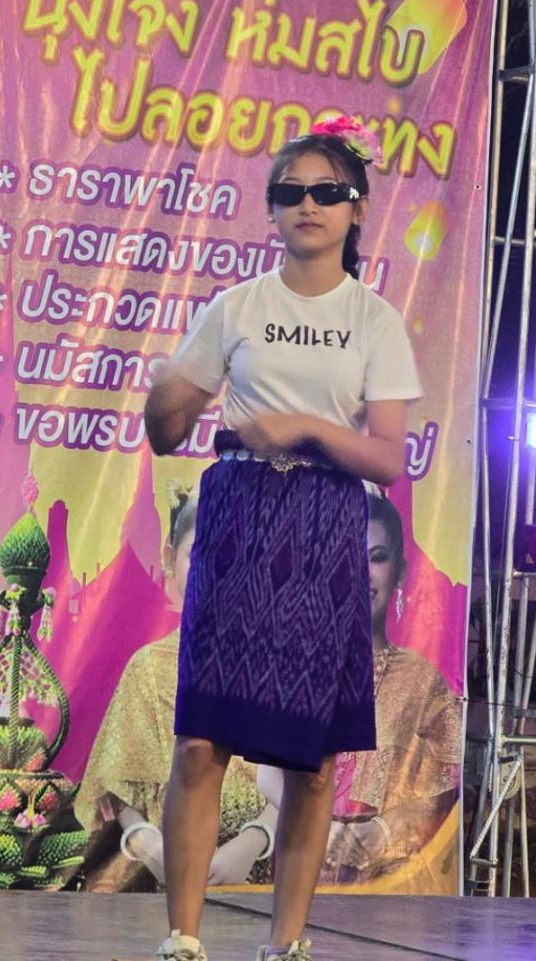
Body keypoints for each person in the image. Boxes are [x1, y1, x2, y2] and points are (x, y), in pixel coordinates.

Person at [144, 116, 422, 961]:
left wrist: (304, 426)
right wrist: (167, 395)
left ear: (356, 208)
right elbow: (166, 429)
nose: (309, 205)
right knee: (202, 742)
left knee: (313, 758)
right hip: (238, 520)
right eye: (291, 192)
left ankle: (287, 943)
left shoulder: (375, 319)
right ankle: (184, 937)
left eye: (327, 192)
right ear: (269, 209)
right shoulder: (236, 306)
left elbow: (389, 459)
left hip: (327, 526)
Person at [76, 484, 276, 892]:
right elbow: (117, 786)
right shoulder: (149, 668)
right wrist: (147, 844)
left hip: (267, 883)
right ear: (170, 558)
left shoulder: (283, 665)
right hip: (166, 882)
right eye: (199, 555)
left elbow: (308, 778)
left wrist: (256, 840)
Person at [319, 491, 461, 886]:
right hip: (301, 864)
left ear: (399, 571)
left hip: (390, 883)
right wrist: (318, 827)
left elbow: (445, 787)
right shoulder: (299, 667)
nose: (361, 573)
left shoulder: (423, 682)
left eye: (376, 557)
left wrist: (382, 830)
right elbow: (264, 773)